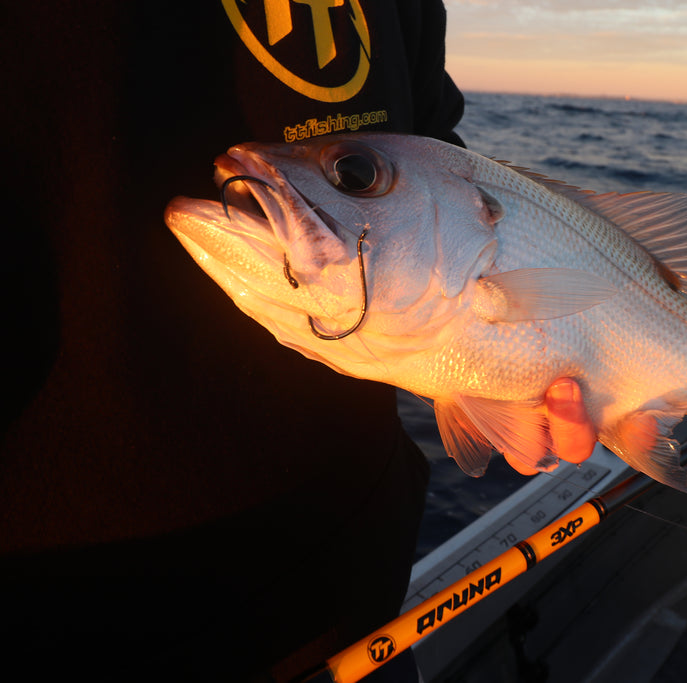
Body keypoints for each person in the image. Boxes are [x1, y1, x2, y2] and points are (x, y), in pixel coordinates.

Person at [1, 3, 595, 682]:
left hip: (355, 594)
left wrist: (511, 360)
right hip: (45, 615)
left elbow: (431, 140)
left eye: (356, 175)